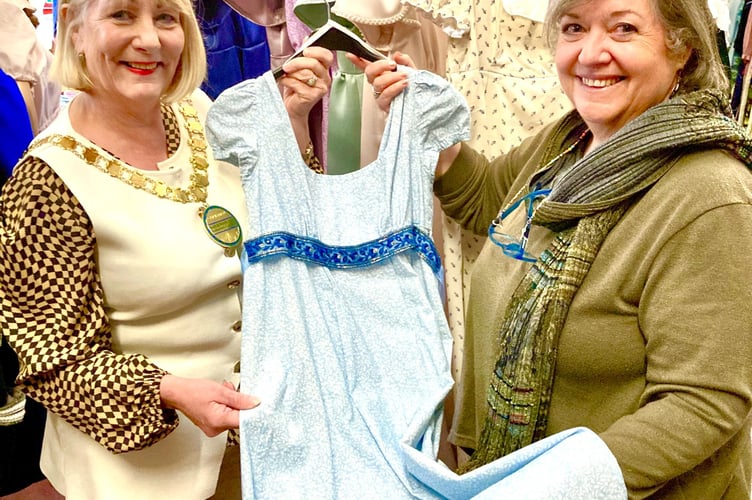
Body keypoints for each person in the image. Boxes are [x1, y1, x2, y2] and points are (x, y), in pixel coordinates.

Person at [353, 0, 752, 497]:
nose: (590, 53)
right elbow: (483, 201)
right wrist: (430, 128)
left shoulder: (709, 196)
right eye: (573, 29)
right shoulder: (569, 143)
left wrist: (544, 485)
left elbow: (703, 404)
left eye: (623, 29)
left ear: (682, 49)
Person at [0, 0, 332, 498]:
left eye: (165, 17)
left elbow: (285, 234)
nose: (150, 39)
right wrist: (169, 390)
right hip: (140, 473)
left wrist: (295, 127)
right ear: (74, 27)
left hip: (262, 448)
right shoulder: (46, 181)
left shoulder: (199, 111)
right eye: (121, 15)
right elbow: (53, 362)